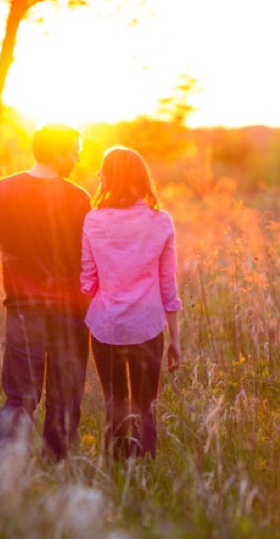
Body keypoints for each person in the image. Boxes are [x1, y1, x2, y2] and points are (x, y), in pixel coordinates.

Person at [0, 123, 91, 462]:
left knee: (19, 397)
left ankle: (9, 472)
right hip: (70, 314)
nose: (77, 159)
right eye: (73, 152)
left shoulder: (4, 190)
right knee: (65, 398)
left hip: (23, 310)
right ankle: (57, 468)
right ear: (56, 152)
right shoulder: (78, 198)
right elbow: (90, 260)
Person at [80, 146, 182, 461]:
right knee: (145, 407)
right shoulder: (161, 221)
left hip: (106, 326)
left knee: (115, 405)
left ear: (110, 177)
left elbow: (87, 280)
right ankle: (145, 472)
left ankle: (116, 469)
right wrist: (175, 339)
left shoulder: (93, 220)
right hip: (148, 327)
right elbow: (168, 284)